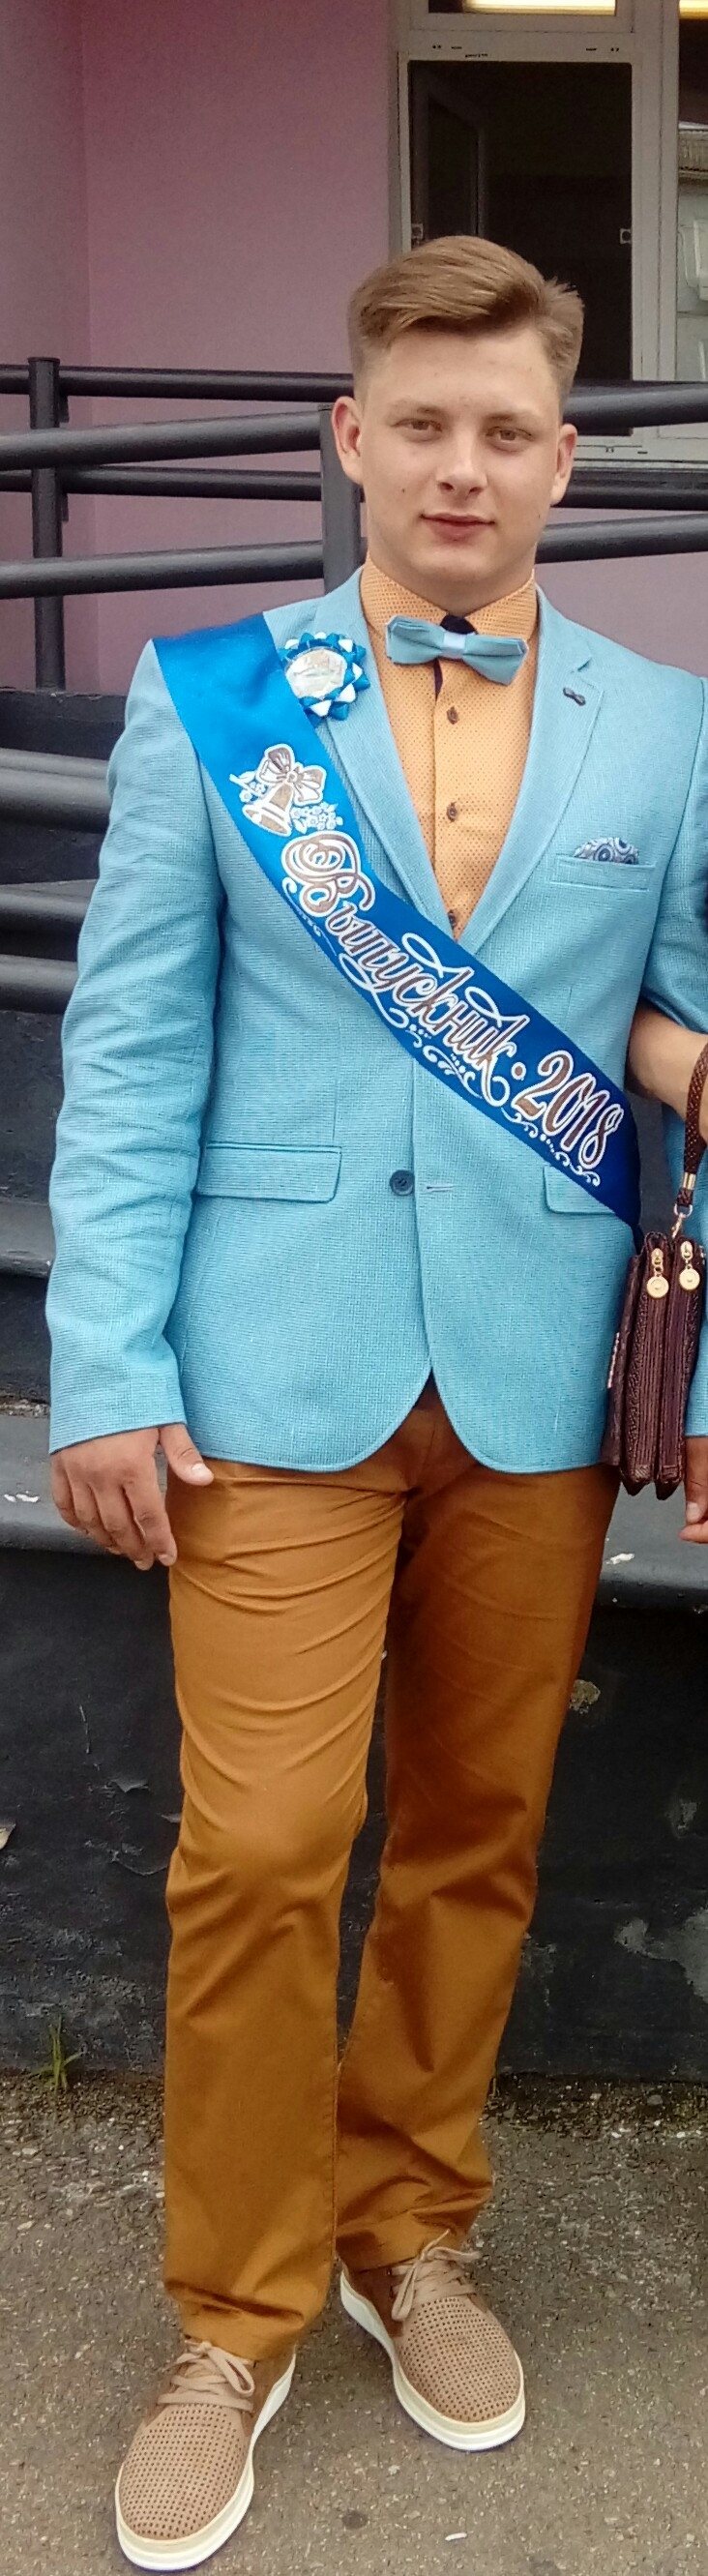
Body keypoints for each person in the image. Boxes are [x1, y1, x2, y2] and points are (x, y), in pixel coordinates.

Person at [45, 235, 708, 2572]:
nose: (460, 465)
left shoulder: (668, 726)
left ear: (561, 463)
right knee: (256, 1851)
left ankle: (411, 2225)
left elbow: (676, 1025)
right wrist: (105, 1365)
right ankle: (230, 2315)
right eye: (420, 422)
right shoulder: (212, 697)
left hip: (534, 1375)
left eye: (506, 429)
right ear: (350, 437)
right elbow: (132, 1046)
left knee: (477, 1835)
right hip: (268, 1365)